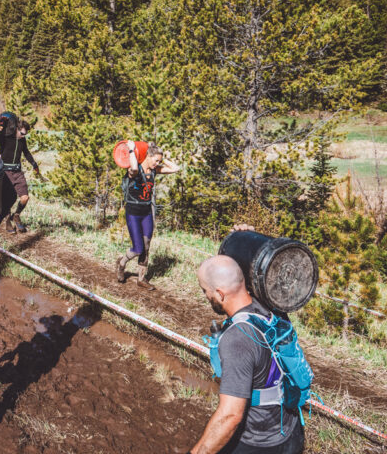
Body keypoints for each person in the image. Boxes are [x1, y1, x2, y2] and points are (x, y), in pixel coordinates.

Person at [189, 255, 304, 454]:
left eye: (205, 291)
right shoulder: (270, 308)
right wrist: (245, 242)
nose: (206, 296)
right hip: (291, 431)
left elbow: (230, 417)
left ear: (219, 293)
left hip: (260, 443)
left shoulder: (237, 340)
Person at [115, 141, 180, 289]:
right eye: (155, 160)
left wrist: (161, 159)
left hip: (146, 213)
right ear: (147, 157)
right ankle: (122, 262)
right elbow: (133, 167)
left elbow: (176, 168)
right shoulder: (135, 170)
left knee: (146, 246)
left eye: (159, 161)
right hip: (133, 213)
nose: (157, 163)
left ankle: (141, 279)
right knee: (137, 249)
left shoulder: (154, 170)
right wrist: (131, 150)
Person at [0, 112, 42, 233]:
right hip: (5, 172)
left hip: (17, 172)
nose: (23, 136)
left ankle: (16, 215)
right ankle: (8, 220)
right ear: (16, 129)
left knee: (25, 198)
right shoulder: (6, 137)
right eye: (22, 133)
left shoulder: (22, 141)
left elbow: (26, 153)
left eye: (25, 134)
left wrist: (34, 164)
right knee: (7, 199)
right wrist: (0, 127)